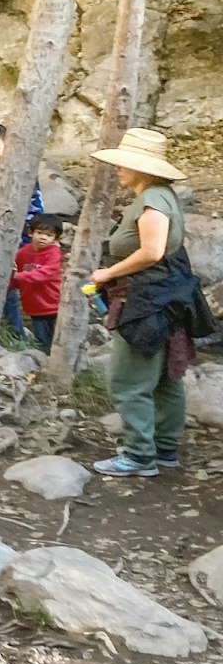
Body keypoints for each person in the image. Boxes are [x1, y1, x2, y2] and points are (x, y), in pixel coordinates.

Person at [87, 129, 214, 478]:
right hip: (167, 296)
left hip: (147, 300)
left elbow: (152, 251)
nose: (118, 170)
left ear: (144, 168)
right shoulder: (163, 195)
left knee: (128, 381)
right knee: (164, 378)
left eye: (124, 164)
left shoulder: (153, 201)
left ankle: (139, 456)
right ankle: (165, 449)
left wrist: (108, 272)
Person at [0, 122, 45, 338]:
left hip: (22, 241)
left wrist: (30, 243)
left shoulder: (23, 173)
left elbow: (36, 209)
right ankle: (16, 334)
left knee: (33, 289)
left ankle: (43, 337)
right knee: (5, 290)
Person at [9, 213, 64, 353]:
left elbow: (44, 274)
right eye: (39, 233)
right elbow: (13, 273)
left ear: (55, 239)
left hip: (53, 305)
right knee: (42, 339)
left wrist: (18, 276)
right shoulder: (23, 253)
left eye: (49, 235)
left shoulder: (54, 254)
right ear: (30, 232)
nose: (43, 237)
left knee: (57, 339)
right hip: (34, 306)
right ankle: (43, 359)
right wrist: (9, 285)